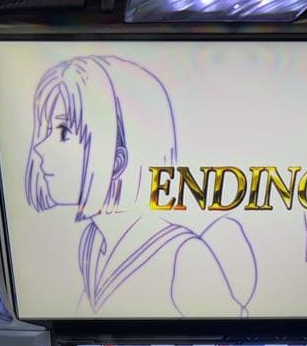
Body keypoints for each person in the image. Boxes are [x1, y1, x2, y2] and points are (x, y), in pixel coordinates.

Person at [25, 55, 256, 316]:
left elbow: (233, 337)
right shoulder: (91, 243)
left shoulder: (182, 254)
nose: (39, 148)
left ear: (117, 159)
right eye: (45, 131)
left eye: (63, 132)